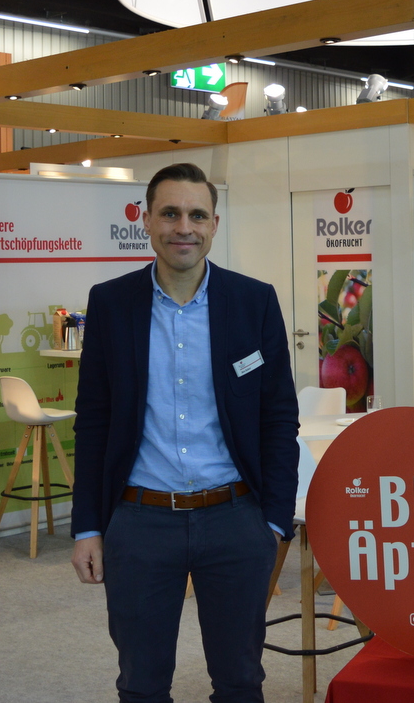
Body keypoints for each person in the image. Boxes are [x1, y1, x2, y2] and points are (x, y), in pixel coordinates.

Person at [70, 162, 300, 703]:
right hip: (140, 522)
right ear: (146, 221)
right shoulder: (111, 303)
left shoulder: (254, 301)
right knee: (142, 685)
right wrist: (87, 528)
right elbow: (94, 420)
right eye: (170, 213)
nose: (183, 227)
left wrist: (272, 522)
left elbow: (277, 417)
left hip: (236, 520)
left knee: (240, 682)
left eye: (197, 215)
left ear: (214, 224)